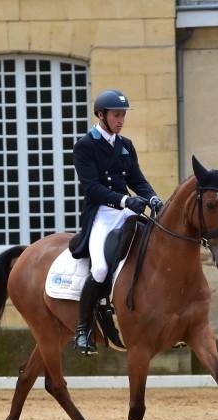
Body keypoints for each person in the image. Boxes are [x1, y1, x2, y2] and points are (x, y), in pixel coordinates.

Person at [69, 88, 162, 355]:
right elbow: (91, 188)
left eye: (123, 115)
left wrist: (153, 198)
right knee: (99, 269)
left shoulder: (125, 145)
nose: (121, 120)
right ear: (101, 115)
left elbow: (137, 180)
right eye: (116, 115)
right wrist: (123, 201)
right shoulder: (85, 145)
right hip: (101, 215)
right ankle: (82, 329)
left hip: (127, 212)